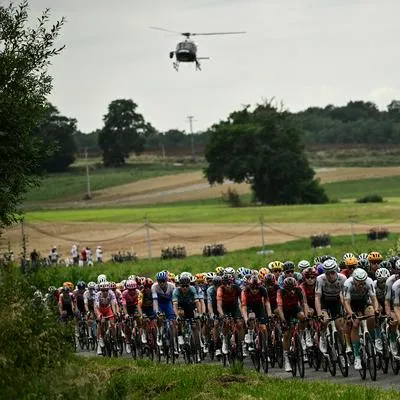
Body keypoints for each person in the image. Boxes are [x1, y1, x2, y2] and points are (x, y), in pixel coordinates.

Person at [343, 268, 380, 370]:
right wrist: (351, 314)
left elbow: (374, 299)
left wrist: (376, 309)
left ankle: (373, 341)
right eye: (359, 283)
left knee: (372, 314)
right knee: (355, 324)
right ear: (354, 281)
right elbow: (346, 302)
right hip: (352, 303)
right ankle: (357, 357)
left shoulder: (369, 281)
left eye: (363, 283)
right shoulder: (348, 284)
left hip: (364, 301)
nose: (362, 286)